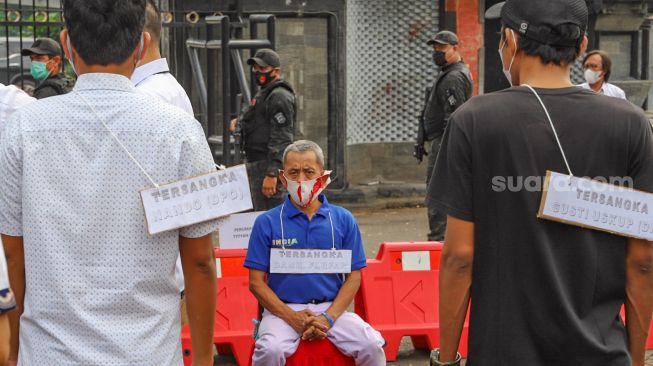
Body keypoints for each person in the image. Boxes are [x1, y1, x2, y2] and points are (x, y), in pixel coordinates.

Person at [428, 0, 653, 365]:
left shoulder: (474, 121)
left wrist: (447, 358)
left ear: (510, 42)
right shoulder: (631, 124)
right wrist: (638, 359)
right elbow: (642, 262)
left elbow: (459, 258)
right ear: (581, 47)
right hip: (602, 354)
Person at [0, 1, 220, 365]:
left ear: (66, 44)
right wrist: (202, 360)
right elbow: (199, 263)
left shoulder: (24, 127)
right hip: (148, 353)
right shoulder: (180, 132)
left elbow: (13, 252)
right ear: (140, 45)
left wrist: (25, 344)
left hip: (50, 353)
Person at [244, 140, 386, 366]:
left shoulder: (342, 219)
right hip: (282, 311)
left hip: (332, 309)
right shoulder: (267, 222)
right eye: (293, 172)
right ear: (283, 178)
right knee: (270, 351)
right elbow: (256, 283)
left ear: (323, 176)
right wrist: (292, 317)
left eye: (309, 172)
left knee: (371, 346)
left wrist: (328, 318)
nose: (301, 179)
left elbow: (354, 277)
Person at [131, 0, 192, 304]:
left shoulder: (147, 96)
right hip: (163, 263)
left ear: (140, 40)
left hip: (151, 267)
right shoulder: (166, 88)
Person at [415, 30, 472, 242]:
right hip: (442, 139)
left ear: (455, 48)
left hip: (445, 140)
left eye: (442, 48)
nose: (437, 52)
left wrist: (448, 146)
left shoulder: (454, 76)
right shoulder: (449, 72)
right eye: (435, 48)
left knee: (437, 190)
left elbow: (454, 115)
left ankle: (439, 239)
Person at [232, 48, 295, 211]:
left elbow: (282, 137)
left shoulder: (279, 96)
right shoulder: (266, 94)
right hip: (257, 165)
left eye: (263, 68)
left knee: (271, 221)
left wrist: (272, 174)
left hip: (267, 166)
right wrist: (239, 122)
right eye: (255, 68)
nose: (257, 72)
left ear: (276, 71)